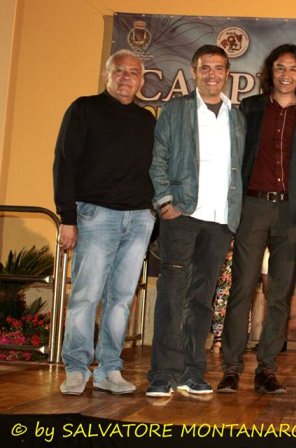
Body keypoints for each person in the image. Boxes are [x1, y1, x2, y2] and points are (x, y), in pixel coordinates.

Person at [217, 44, 296, 394]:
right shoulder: (249, 108)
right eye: (280, 67)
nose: (286, 74)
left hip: (292, 212)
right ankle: (231, 367)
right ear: (270, 72)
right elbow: (233, 157)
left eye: (293, 69)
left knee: (279, 292)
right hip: (253, 207)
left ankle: (267, 367)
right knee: (242, 288)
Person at [53, 49, 155, 395]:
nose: (127, 78)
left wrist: (152, 213)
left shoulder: (146, 120)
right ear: (106, 75)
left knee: (122, 298)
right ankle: (76, 368)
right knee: (86, 295)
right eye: (120, 71)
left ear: (142, 81)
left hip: (139, 219)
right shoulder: (83, 109)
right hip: (95, 215)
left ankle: (110, 368)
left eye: (134, 73)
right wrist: (67, 218)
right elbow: (64, 163)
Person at [146, 45, 245, 397]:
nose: (212, 74)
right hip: (182, 216)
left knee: (202, 299)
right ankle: (163, 374)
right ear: (194, 71)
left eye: (219, 68)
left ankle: (192, 372)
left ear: (227, 74)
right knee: (172, 296)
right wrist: (165, 201)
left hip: (220, 221)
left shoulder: (237, 117)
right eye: (205, 68)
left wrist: (233, 217)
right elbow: (158, 158)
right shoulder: (176, 110)